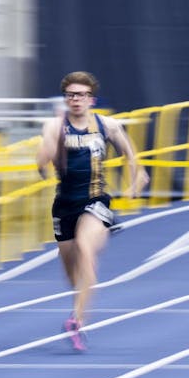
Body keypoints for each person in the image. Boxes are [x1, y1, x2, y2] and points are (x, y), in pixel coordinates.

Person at [36, 71, 149, 351]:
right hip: (64, 205)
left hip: (95, 201)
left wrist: (137, 178)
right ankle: (80, 305)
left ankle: (77, 322)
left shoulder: (106, 125)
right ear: (66, 99)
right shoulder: (54, 125)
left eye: (81, 95)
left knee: (86, 250)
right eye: (71, 95)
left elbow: (131, 155)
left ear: (91, 99)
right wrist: (43, 161)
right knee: (73, 274)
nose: (76, 100)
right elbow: (42, 160)